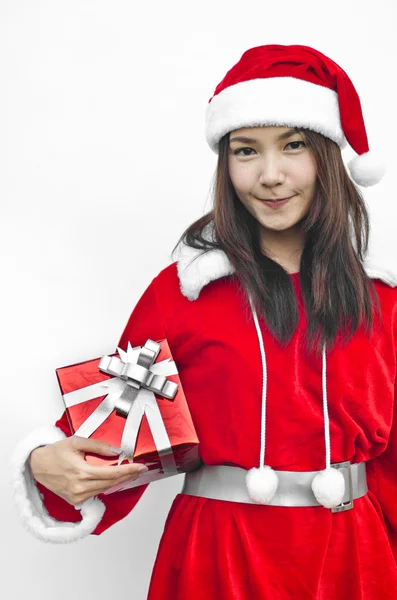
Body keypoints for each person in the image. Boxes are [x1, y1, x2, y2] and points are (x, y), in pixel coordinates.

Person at [11, 44, 397, 599]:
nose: (270, 175)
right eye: (246, 151)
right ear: (226, 163)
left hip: (352, 559)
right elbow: (121, 430)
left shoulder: (379, 298)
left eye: (293, 146)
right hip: (218, 554)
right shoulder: (184, 291)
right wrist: (47, 462)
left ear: (330, 158)